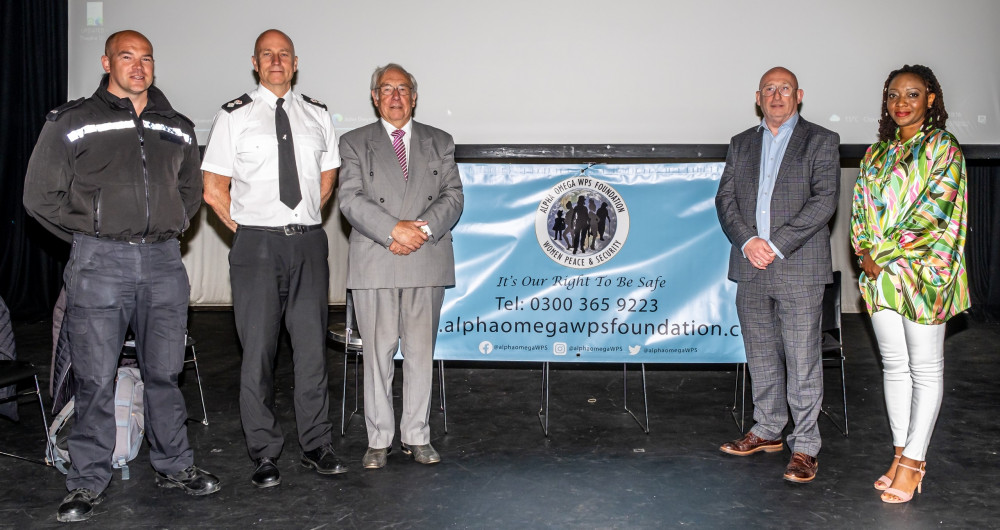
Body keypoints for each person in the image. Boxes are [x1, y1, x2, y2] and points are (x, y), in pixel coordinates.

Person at [22, 30, 219, 523]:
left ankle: (176, 465)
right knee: (94, 379)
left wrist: (162, 224)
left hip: (163, 263)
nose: (139, 66)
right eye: (127, 57)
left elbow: (190, 195)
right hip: (98, 265)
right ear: (106, 62)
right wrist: (92, 236)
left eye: (147, 58)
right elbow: (39, 198)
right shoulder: (71, 121)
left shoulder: (177, 126)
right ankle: (87, 480)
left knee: (165, 374)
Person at [201, 29, 345, 488]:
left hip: (307, 242)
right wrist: (246, 230)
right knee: (258, 353)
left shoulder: (318, 115)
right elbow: (213, 188)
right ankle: (264, 452)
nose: (276, 61)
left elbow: (328, 176)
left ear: (295, 62)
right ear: (255, 63)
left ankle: (316, 445)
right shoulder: (233, 116)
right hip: (256, 246)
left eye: (284, 54)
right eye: (268, 55)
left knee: (311, 352)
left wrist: (303, 217)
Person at [715, 66, 840, 483]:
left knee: (803, 358)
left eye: (784, 88)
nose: (776, 95)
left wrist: (777, 243)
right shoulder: (740, 144)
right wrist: (749, 240)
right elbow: (725, 199)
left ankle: (805, 445)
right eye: (769, 89)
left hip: (798, 265)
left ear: (798, 95)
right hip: (750, 264)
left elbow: (824, 201)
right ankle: (767, 429)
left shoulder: (821, 140)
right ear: (758, 97)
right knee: (762, 355)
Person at [851, 65, 968, 504]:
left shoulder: (944, 148)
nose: (902, 103)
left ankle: (916, 461)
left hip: (924, 275)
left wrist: (877, 256)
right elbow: (860, 210)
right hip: (880, 279)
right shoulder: (875, 154)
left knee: (926, 368)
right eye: (894, 95)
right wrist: (864, 253)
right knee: (894, 366)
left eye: (913, 94)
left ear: (931, 100)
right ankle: (900, 453)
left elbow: (934, 213)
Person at [338, 63, 464, 469]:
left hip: (425, 257)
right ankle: (379, 439)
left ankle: (416, 435)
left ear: (414, 96)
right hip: (376, 258)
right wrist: (393, 230)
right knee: (376, 353)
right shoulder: (354, 142)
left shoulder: (440, 141)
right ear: (375, 96)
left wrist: (419, 232)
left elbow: (453, 197)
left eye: (403, 89)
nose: (395, 96)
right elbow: (350, 199)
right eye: (387, 89)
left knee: (419, 353)